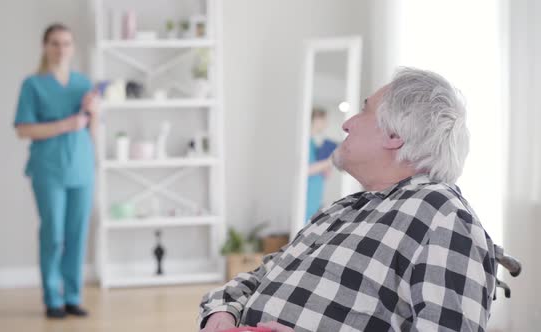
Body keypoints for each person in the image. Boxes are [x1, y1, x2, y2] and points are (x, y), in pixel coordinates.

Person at [199, 68, 496, 331]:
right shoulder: (341, 210)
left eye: (363, 111)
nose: (347, 124)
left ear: (394, 135)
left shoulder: (442, 215)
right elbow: (257, 278)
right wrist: (221, 315)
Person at [13, 23, 98, 319]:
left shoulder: (83, 84)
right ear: (44, 46)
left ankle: (73, 297)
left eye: (66, 43)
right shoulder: (32, 85)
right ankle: (53, 298)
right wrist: (65, 125)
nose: (61, 49)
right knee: (54, 235)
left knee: (77, 234)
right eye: (54, 43)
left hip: (82, 168)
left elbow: (92, 133)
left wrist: (95, 113)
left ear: (73, 48)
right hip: (48, 169)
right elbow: (23, 130)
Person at [305, 108, 337, 222]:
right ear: (316, 119)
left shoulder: (313, 143)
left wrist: (327, 167)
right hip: (306, 199)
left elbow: (323, 173)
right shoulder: (304, 142)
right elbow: (305, 171)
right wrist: (331, 160)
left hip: (314, 199)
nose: (326, 124)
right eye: (324, 120)